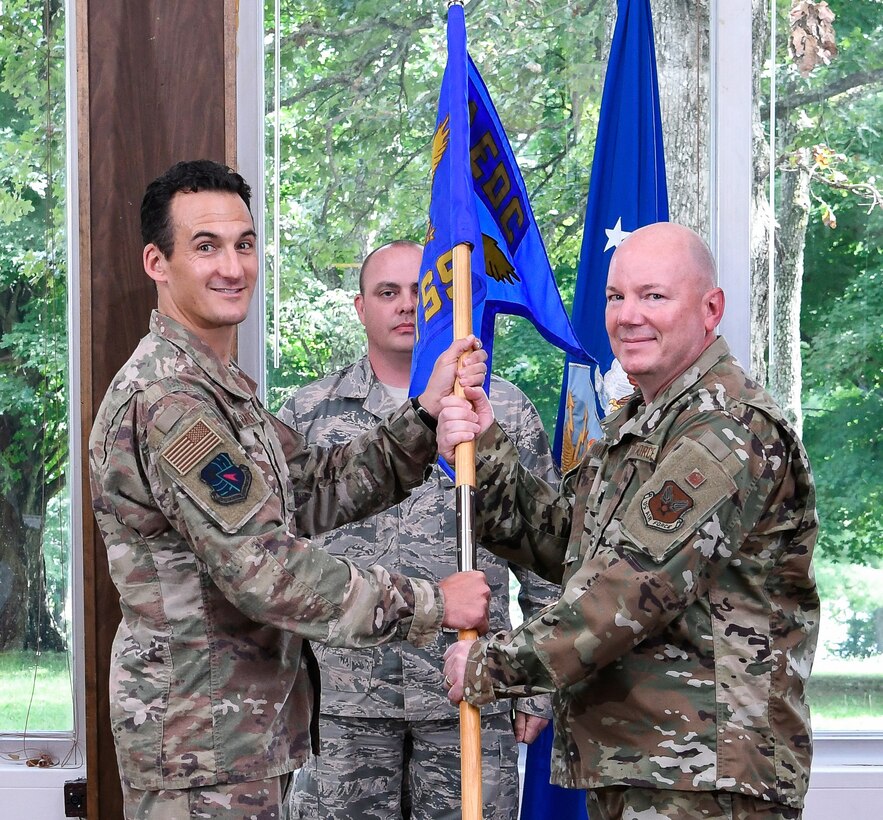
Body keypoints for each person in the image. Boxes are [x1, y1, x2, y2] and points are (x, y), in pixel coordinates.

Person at [88, 160, 492, 820]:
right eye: (206, 246)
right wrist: (430, 603)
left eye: (244, 244)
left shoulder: (218, 389)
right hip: (200, 747)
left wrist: (421, 420)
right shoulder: (171, 401)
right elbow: (265, 570)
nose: (232, 267)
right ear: (157, 263)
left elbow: (309, 489)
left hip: (236, 738)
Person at [439, 222, 819, 820]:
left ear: (711, 308)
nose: (628, 315)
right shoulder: (640, 424)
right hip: (651, 765)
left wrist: (495, 664)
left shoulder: (727, 430)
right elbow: (568, 544)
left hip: (706, 777)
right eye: (616, 297)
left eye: (654, 296)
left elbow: (630, 588)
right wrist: (482, 447)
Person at [278, 240, 561, 820]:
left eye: (418, 291)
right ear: (361, 307)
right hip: (343, 696)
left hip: (467, 690)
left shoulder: (499, 408)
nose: (405, 305)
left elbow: (544, 557)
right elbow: (280, 555)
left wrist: (537, 683)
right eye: (387, 292)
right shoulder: (307, 413)